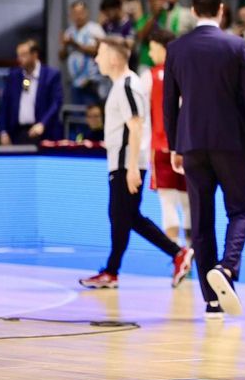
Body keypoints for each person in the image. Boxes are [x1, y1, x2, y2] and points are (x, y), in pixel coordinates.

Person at [163, 0, 245, 318]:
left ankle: (211, 300)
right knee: (240, 210)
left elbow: (169, 104)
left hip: (191, 144)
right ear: (221, 10)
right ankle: (227, 267)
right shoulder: (235, 46)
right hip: (231, 143)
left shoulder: (176, 48)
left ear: (193, 11)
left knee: (201, 220)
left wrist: (175, 145)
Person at [77, 37, 192, 290]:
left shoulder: (128, 84)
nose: (96, 59)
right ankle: (117, 269)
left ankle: (174, 254)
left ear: (114, 58)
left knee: (124, 216)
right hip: (123, 162)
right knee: (126, 217)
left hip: (126, 163)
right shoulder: (123, 85)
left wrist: (131, 167)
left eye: (100, 53)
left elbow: (136, 126)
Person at [146, 28, 190, 248]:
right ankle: (192, 250)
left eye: (152, 48)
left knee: (167, 202)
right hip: (186, 146)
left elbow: (143, 116)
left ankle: (176, 253)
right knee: (188, 201)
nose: (150, 54)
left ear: (163, 48)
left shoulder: (150, 76)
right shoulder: (187, 72)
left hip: (161, 145)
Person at [0, 38, 63, 145]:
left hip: (43, 132)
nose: (19, 59)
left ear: (34, 55)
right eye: (18, 55)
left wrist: (43, 123)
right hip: (18, 133)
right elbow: (5, 104)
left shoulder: (51, 75)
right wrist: (3, 131)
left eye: (23, 55)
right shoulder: (14, 76)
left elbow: (56, 103)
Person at [59, 0, 106, 107]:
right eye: (75, 13)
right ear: (71, 15)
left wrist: (74, 44)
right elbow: (62, 56)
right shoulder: (69, 32)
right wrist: (65, 46)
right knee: (77, 113)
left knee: (92, 114)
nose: (78, 16)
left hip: (92, 82)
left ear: (86, 13)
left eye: (80, 12)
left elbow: (99, 52)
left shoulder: (95, 29)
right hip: (75, 82)